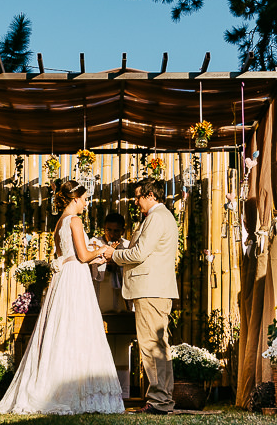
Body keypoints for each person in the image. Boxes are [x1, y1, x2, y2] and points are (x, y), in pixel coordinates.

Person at [0, 180, 124, 415]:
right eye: (84, 199)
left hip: (64, 278)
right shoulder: (74, 220)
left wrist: (99, 257)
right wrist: (102, 250)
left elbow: (69, 256)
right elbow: (83, 256)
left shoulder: (58, 224)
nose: (86, 203)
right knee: (78, 329)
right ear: (75, 199)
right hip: (75, 279)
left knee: (61, 330)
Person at [102, 177, 179, 415]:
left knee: (151, 346)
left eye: (138, 196)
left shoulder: (156, 217)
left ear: (151, 196)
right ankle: (162, 399)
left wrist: (113, 254)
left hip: (151, 290)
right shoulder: (161, 216)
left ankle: (158, 401)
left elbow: (139, 253)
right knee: (158, 345)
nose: (135, 202)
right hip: (155, 289)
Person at [89, 212, 132, 398]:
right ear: (103, 229)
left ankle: (123, 392)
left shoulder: (129, 246)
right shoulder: (94, 243)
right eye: (108, 230)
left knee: (122, 347)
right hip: (99, 301)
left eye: (116, 231)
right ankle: (98, 391)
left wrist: (118, 261)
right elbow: (89, 267)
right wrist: (105, 259)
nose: (112, 235)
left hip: (122, 303)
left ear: (123, 231)